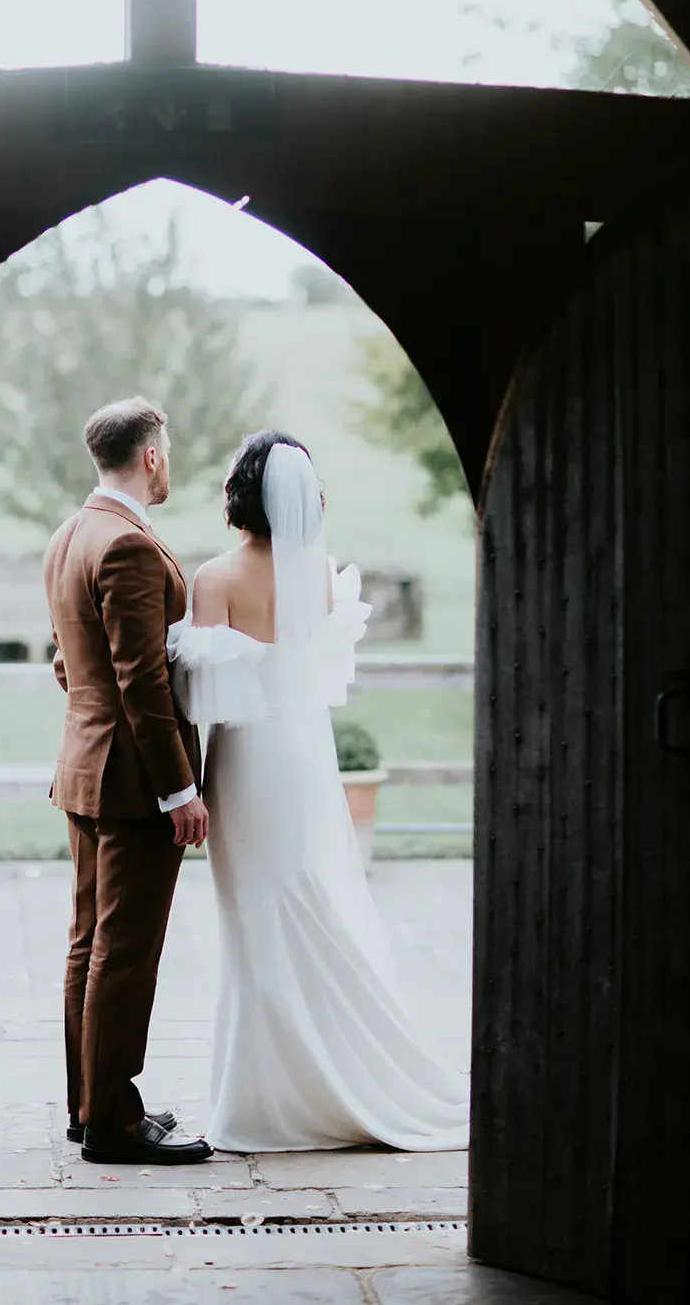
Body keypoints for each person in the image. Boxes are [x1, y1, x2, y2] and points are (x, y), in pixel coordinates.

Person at [167, 430, 470, 1153]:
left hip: (246, 761)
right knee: (309, 899)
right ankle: (329, 1074)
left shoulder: (216, 578)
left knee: (256, 922)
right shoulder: (324, 576)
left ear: (240, 492)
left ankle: (268, 1102)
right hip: (305, 759)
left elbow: (201, 695)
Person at [43, 396, 214, 1166]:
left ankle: (91, 1104)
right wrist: (179, 791)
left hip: (83, 769)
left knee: (90, 944)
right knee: (125, 950)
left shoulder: (69, 535)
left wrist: (94, 717)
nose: (168, 463)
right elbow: (142, 679)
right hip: (133, 783)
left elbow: (66, 661)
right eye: (167, 451)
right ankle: (111, 1124)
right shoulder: (128, 546)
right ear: (150, 456)